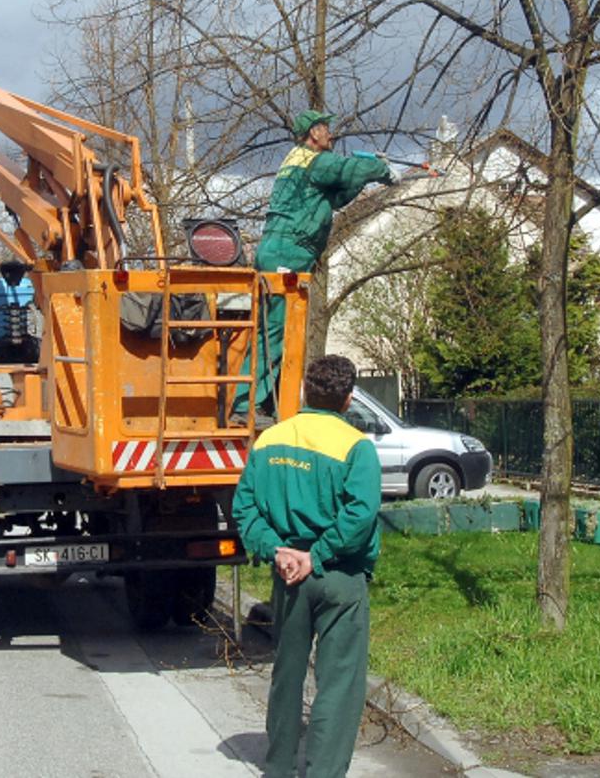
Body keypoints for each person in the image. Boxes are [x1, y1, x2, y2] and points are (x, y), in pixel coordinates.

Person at [231, 354, 382, 778]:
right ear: (348, 399)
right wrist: (317, 555)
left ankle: (278, 766)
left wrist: (277, 551)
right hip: (339, 576)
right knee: (339, 683)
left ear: (304, 392)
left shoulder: (270, 440)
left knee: (287, 672)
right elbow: (361, 513)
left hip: (287, 575)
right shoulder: (356, 446)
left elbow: (244, 508)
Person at [232, 111, 396, 421]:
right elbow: (347, 170)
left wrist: (370, 173)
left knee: (279, 329)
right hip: (288, 251)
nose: (330, 135)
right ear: (313, 133)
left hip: (282, 249)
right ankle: (244, 403)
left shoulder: (300, 163)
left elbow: (337, 196)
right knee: (278, 329)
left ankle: (268, 400)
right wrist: (378, 168)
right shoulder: (314, 160)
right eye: (326, 129)